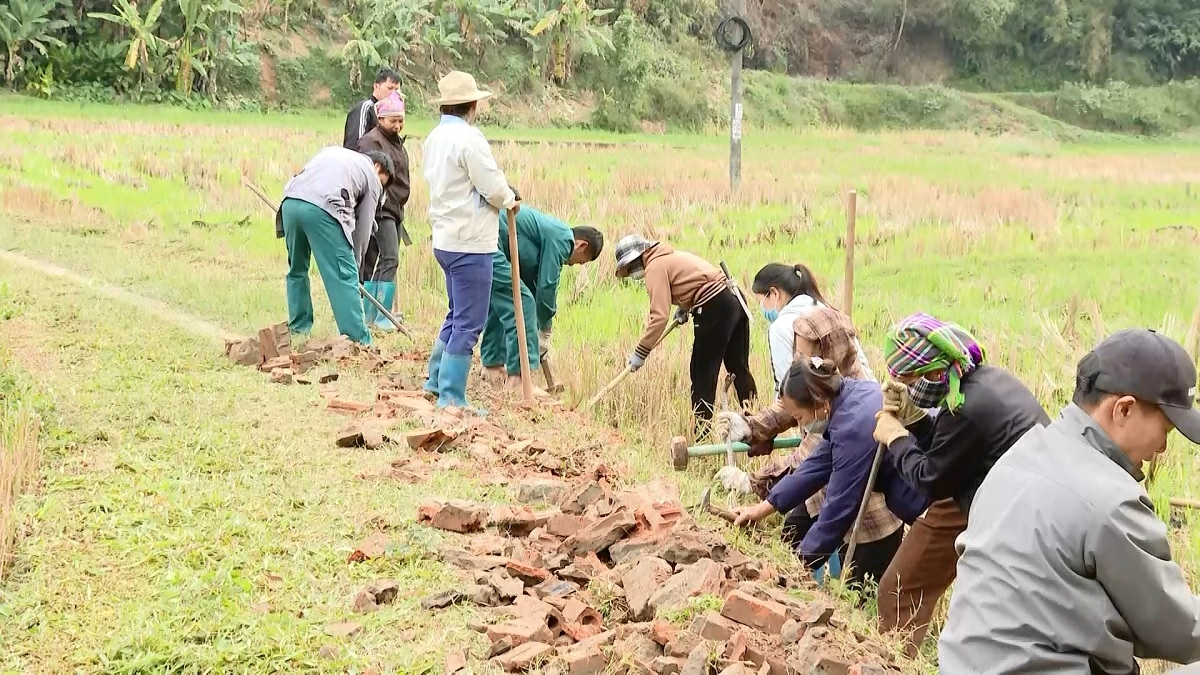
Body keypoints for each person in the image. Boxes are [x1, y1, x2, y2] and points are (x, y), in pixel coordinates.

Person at [939, 328, 1200, 672]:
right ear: (1123, 409)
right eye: (1165, 430)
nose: (1162, 449)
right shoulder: (1111, 499)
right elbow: (1176, 629)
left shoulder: (1018, 458)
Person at [870, 312, 1049, 656]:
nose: (909, 388)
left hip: (999, 506)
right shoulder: (984, 381)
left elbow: (930, 480)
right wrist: (916, 420)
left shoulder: (965, 407)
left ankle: (893, 661)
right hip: (1009, 494)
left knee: (899, 588)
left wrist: (895, 438)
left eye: (910, 380)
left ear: (934, 372)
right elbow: (952, 449)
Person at [731, 358, 925, 589]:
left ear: (819, 403)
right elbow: (814, 467)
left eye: (800, 418)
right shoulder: (848, 398)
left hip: (928, 500)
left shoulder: (852, 428)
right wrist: (760, 509)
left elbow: (839, 507)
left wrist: (796, 567)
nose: (800, 425)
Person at [421, 71, 518, 410]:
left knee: (455, 313)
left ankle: (434, 381)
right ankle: (451, 397)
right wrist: (509, 198)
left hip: (444, 238)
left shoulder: (434, 137)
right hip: (470, 242)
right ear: (473, 105)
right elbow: (491, 185)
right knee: (469, 321)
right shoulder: (470, 138)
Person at [613, 235, 757, 436]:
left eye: (630, 267)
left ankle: (702, 433)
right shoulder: (670, 255)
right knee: (738, 366)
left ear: (639, 257)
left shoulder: (654, 266)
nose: (632, 272)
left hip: (714, 306)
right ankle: (757, 423)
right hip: (733, 297)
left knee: (702, 373)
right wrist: (685, 306)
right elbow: (695, 282)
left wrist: (641, 351)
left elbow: (658, 317)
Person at [277, 146, 393, 345]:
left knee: (297, 269)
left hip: (290, 203)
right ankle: (358, 341)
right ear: (377, 166)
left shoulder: (334, 152)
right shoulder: (372, 177)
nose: (380, 187)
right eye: (383, 182)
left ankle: (298, 327)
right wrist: (353, 266)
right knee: (343, 275)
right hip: (323, 210)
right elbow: (363, 229)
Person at [480, 207, 603, 392]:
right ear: (581, 245)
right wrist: (544, 329)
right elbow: (547, 285)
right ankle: (520, 381)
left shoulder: (546, 236)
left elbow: (534, 283)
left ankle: (492, 366)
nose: (574, 265)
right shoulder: (563, 239)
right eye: (581, 261)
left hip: (486, 234)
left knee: (504, 302)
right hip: (493, 237)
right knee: (523, 302)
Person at [754, 263, 873, 389]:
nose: (761, 309)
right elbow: (862, 365)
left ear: (774, 294)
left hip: (832, 406)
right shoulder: (830, 311)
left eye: (760, 302)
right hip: (867, 395)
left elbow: (787, 388)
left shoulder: (781, 327)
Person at [356, 91, 412, 332]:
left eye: (401, 120)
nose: (397, 125)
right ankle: (380, 316)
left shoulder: (394, 140)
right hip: (382, 208)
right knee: (390, 258)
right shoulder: (372, 141)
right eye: (393, 120)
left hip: (395, 207)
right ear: (380, 118)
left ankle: (373, 314)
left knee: (382, 260)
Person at [343, 68, 399, 150]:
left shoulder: (390, 114)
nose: (394, 93)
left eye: (396, 90)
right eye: (390, 88)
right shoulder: (365, 108)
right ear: (376, 86)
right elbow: (355, 145)